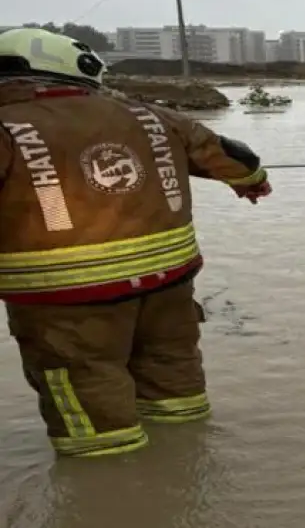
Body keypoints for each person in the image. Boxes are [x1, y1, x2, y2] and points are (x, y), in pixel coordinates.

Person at [0, 28, 271, 457]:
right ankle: (187, 467)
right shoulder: (151, 115)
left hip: (65, 302)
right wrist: (252, 183)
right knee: (174, 379)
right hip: (168, 286)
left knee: (90, 398)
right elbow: (236, 157)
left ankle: (112, 493)